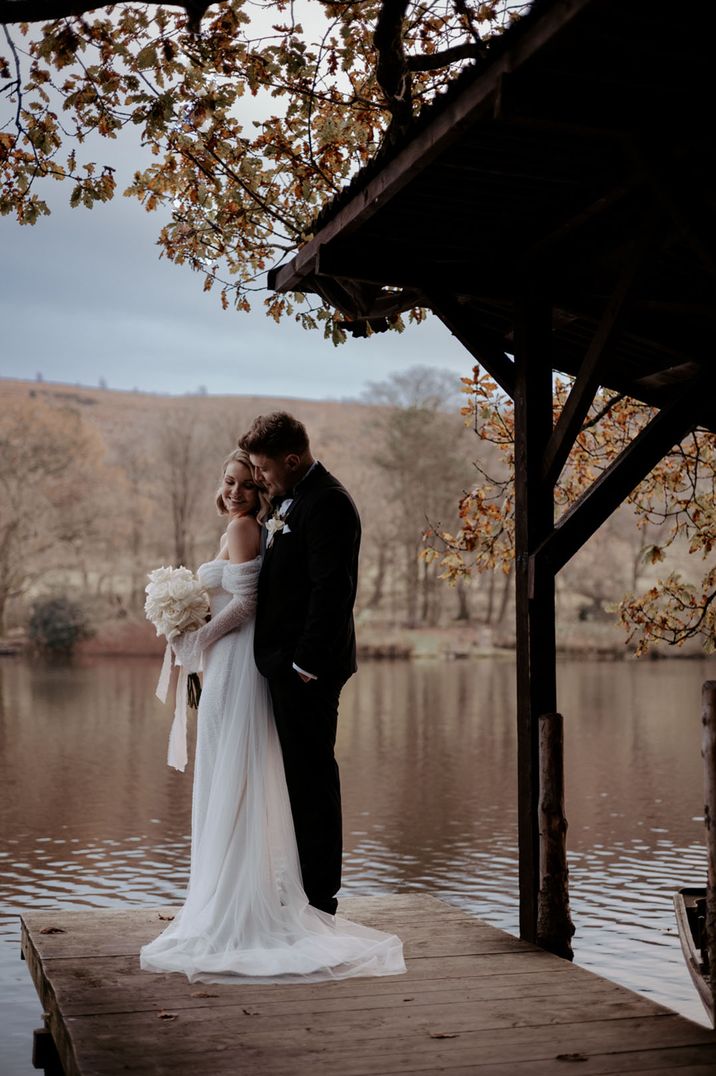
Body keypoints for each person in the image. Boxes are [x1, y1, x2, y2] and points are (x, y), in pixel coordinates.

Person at [140, 447, 404, 984]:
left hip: (236, 663)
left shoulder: (245, 530)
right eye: (230, 480)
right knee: (231, 771)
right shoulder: (250, 525)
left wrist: (197, 638)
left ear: (261, 488)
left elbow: (250, 603)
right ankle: (234, 891)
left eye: (246, 482)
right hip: (234, 661)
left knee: (229, 771)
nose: (236, 490)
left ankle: (233, 899)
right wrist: (195, 630)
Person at [238, 412, 358, 917]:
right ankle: (299, 888)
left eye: (264, 469)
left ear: (293, 458)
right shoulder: (289, 499)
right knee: (292, 779)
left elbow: (331, 592)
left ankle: (320, 897)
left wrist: (304, 665)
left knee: (311, 780)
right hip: (281, 665)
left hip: (307, 670)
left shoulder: (328, 502)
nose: (259, 477)